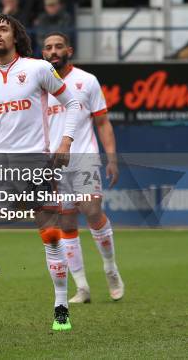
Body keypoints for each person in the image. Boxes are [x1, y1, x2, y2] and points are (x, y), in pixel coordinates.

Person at [0, 13, 81, 331]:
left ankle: (61, 306)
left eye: (4, 29)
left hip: (36, 163)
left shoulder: (38, 69)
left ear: (15, 36)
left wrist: (66, 142)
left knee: (51, 236)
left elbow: (72, 103)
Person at [42, 32, 124, 304]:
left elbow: (102, 122)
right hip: (53, 165)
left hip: (84, 157)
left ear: (69, 50)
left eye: (58, 46)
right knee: (65, 222)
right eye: (48, 48)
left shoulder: (87, 81)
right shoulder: (39, 85)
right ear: (43, 54)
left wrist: (111, 157)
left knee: (91, 209)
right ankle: (82, 287)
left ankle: (110, 268)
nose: (53, 51)